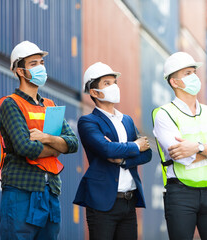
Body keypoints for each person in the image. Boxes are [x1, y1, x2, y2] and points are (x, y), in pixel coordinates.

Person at [0, 40, 79, 240]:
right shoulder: (10, 104)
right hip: (20, 192)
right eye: (33, 64)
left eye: (41, 62)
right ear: (20, 71)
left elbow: (73, 143)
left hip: (50, 191)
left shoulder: (50, 105)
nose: (41, 67)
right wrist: (56, 147)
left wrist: (47, 138)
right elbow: (26, 148)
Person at [152, 52, 207, 240]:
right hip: (180, 194)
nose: (194, 77)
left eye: (194, 72)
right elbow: (181, 156)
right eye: (187, 73)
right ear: (174, 82)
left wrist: (197, 148)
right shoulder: (164, 114)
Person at [73, 62, 152, 240]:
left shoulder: (128, 120)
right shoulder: (88, 122)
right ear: (94, 92)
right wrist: (135, 146)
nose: (114, 87)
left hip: (128, 201)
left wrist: (123, 159)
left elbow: (147, 154)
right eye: (107, 83)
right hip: (102, 202)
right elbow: (107, 150)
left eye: (114, 82)